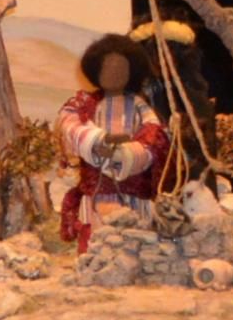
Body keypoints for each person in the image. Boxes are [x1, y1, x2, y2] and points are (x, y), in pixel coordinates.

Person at [53, 30, 175, 250]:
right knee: (96, 238)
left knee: (134, 237)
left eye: (121, 69)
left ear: (132, 73)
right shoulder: (84, 103)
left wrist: (128, 153)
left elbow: (155, 135)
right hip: (96, 190)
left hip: (133, 192)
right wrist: (97, 142)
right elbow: (68, 125)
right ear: (95, 70)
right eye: (107, 68)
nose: (114, 74)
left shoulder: (139, 105)